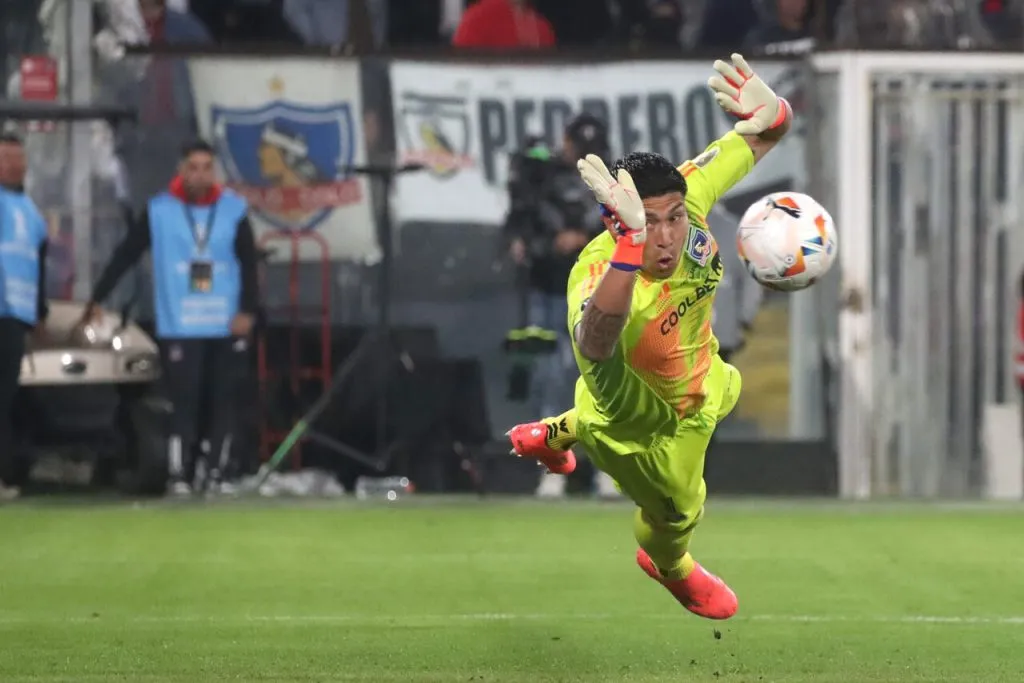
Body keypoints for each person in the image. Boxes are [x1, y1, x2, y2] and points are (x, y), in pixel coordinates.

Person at [507, 54, 792, 619]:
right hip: (637, 423)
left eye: (674, 219)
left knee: (721, 387)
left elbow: (761, 133)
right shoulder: (596, 272)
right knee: (677, 515)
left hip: (702, 379)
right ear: (617, 220)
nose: (666, 235)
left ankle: (550, 433)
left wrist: (776, 113)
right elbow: (594, 342)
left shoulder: (687, 196)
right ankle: (668, 565)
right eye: (650, 223)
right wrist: (629, 248)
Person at [83, 140, 259, 496]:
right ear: (180, 170)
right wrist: (98, 296)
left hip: (225, 323)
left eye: (207, 167)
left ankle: (217, 474)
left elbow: (249, 265)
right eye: (193, 167)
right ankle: (180, 474)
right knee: (185, 401)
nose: (200, 175)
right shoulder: (160, 211)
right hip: (181, 323)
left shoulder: (234, 210)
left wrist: (248, 311)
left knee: (223, 400)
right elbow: (127, 252)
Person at [504, 115, 617, 498]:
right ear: (565, 142)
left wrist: (585, 237)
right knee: (549, 376)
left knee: (602, 381)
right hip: (549, 288)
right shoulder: (540, 177)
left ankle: (608, 467)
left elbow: (627, 230)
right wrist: (546, 243)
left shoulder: (612, 180)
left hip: (596, 293)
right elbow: (519, 228)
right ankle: (552, 466)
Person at [0, 134, 48, 501]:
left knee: (5, 397)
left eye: (19, 158)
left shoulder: (32, 214)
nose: (15, 165)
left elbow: (38, 267)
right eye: (6, 158)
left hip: (14, 315)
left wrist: (40, 312)